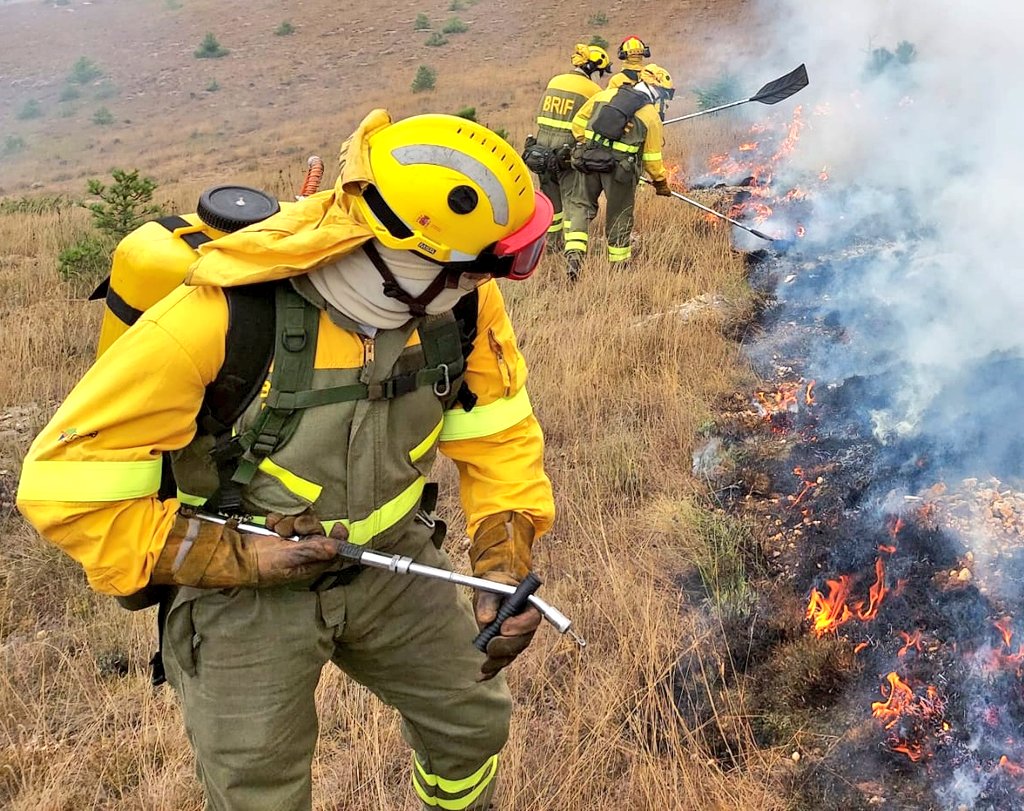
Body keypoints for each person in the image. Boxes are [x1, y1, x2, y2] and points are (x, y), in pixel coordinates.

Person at [17, 109, 556, 811]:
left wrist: (503, 555)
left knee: (472, 725)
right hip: (242, 588)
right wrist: (238, 558)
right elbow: (60, 486)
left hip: (394, 562)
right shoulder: (218, 317)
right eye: (487, 264)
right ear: (407, 259)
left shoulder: (458, 306)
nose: (497, 282)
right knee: (258, 791)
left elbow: (501, 438)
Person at [562, 65, 674, 279]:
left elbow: (577, 123)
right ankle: (619, 267)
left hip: (588, 161)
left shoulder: (605, 95)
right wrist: (660, 183)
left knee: (580, 207)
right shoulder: (650, 116)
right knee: (619, 216)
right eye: (663, 94)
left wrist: (587, 145)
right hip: (620, 172)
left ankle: (574, 256)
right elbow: (652, 159)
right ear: (657, 90)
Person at [524, 43, 611, 251]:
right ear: (592, 68)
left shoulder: (555, 81)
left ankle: (550, 246)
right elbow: (595, 125)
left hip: (541, 152)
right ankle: (573, 250)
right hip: (567, 155)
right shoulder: (592, 90)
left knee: (552, 205)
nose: (601, 76)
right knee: (574, 204)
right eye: (600, 72)